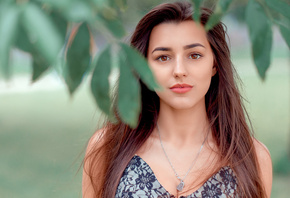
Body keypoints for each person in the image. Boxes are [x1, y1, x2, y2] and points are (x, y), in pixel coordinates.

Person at [82, 1, 272, 197]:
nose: (179, 71)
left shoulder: (254, 157)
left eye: (195, 55)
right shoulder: (107, 146)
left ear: (214, 64)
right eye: (163, 57)